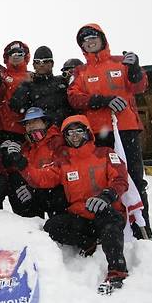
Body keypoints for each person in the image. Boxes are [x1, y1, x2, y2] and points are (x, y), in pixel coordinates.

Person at [19, 115, 130, 293]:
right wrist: (23, 165)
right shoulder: (64, 161)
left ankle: (117, 271)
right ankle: (88, 242)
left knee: (111, 226)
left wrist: (106, 197)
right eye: (70, 133)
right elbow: (43, 178)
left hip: (106, 211)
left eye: (79, 131)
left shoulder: (105, 153)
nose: (75, 136)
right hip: (81, 216)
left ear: (87, 132)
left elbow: (120, 179)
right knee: (53, 226)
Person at [67, 24, 150, 238]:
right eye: (85, 40)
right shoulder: (81, 71)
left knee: (134, 177)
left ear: (102, 39)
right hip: (100, 133)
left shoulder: (121, 62)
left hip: (126, 129)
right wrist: (102, 100)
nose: (90, 41)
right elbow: (74, 98)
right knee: (105, 179)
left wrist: (135, 68)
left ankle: (141, 227)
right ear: (82, 46)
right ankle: (111, 224)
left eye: (93, 37)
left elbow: (140, 86)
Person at [2, 107, 67, 218]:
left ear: (45, 123)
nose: (31, 126)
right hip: (36, 192)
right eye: (27, 123)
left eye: (35, 121)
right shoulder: (26, 146)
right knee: (15, 182)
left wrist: (33, 188)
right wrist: (7, 156)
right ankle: (29, 224)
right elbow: (15, 171)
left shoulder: (58, 141)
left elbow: (59, 173)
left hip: (55, 193)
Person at [10, 46, 73, 127]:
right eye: (38, 62)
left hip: (63, 130)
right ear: (33, 65)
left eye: (46, 61)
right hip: (39, 131)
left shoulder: (62, 81)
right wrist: (36, 117)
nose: (41, 65)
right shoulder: (28, 85)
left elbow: (74, 103)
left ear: (52, 63)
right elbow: (15, 105)